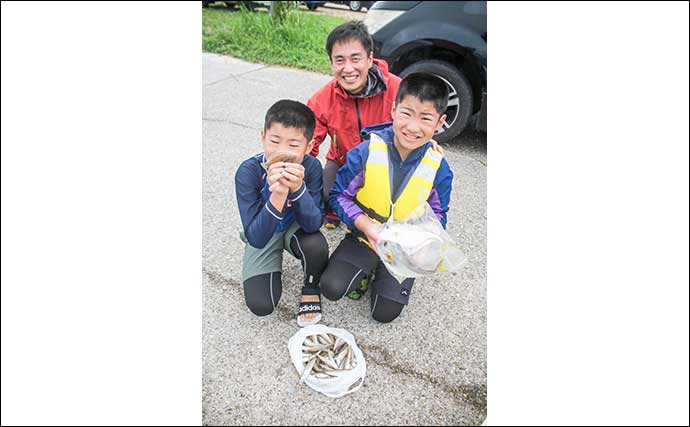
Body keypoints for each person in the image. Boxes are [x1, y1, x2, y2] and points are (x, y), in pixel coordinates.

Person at [320, 73, 454, 323]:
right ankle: (365, 269)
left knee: (384, 314)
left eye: (425, 118)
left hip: (404, 246)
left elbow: (438, 215)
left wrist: (423, 246)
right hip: (365, 237)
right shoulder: (365, 152)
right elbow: (339, 196)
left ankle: (387, 274)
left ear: (440, 122)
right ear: (393, 109)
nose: (413, 127)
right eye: (406, 114)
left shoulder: (439, 167)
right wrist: (366, 226)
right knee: (331, 287)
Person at [235, 100, 329, 327]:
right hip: (263, 232)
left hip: (293, 227)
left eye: (293, 145)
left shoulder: (312, 167)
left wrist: (297, 189)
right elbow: (257, 238)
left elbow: (313, 223)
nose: (281, 152)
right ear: (262, 137)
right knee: (261, 305)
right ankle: (258, 250)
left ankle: (311, 288)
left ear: (309, 146)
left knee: (316, 245)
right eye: (274, 141)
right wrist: (277, 195)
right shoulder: (248, 172)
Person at [307, 20, 402, 230]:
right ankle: (335, 208)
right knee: (323, 190)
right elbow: (307, 145)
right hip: (343, 163)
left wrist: (428, 147)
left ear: (369, 59)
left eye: (355, 58)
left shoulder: (397, 88)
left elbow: (416, 126)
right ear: (331, 63)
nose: (348, 68)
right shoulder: (321, 99)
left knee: (391, 209)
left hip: (387, 166)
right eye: (339, 60)